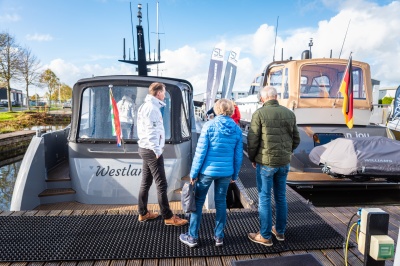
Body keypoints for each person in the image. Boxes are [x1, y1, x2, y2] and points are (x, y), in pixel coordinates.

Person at [179, 98, 243, 248]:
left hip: (207, 171)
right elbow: (238, 155)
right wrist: (234, 175)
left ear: (217, 109)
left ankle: (192, 237)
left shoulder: (209, 126)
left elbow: (200, 153)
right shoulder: (237, 129)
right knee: (221, 202)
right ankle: (219, 237)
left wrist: (194, 173)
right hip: (226, 172)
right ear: (231, 110)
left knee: (198, 202)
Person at [247, 86, 300, 246]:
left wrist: (252, 157)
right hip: (283, 163)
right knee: (281, 197)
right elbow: (296, 139)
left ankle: (265, 235)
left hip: (266, 163)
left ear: (263, 99)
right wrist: (286, 151)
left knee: (264, 198)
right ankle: (280, 231)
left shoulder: (259, 114)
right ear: (276, 97)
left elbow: (253, 140)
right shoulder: (289, 113)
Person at [136, 82, 188, 226]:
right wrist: (157, 150)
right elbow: (152, 132)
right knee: (162, 184)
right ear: (158, 93)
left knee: (146, 182)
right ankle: (168, 216)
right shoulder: (152, 108)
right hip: (152, 150)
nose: (164, 95)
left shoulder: (144, 106)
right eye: (164, 92)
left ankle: (143, 213)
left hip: (145, 148)